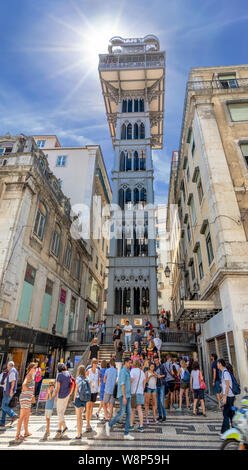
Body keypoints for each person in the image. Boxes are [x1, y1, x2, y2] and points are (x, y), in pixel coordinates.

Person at [105, 357, 134, 440]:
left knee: (129, 414)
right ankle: (109, 424)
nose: (130, 364)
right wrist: (124, 397)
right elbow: (122, 385)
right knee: (121, 413)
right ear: (125, 363)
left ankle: (126, 433)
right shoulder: (123, 371)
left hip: (128, 395)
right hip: (123, 395)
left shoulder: (128, 371)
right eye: (129, 362)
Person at [14, 362, 36, 442]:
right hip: (25, 398)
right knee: (22, 416)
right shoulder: (28, 376)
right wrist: (29, 390)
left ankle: (26, 432)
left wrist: (32, 394)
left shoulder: (32, 376)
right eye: (34, 368)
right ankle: (17, 434)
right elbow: (24, 385)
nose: (35, 369)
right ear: (30, 368)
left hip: (28, 398)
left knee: (27, 416)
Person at [54, 363, 73, 439]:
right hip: (67, 394)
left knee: (59, 412)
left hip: (61, 395)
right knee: (62, 412)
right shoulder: (68, 373)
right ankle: (59, 429)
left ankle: (64, 427)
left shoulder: (60, 375)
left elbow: (58, 387)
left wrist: (55, 396)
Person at [72, 365, 91, 440]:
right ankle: (81, 432)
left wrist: (74, 398)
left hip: (78, 398)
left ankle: (78, 434)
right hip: (85, 399)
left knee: (78, 417)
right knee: (81, 416)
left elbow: (76, 389)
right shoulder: (87, 378)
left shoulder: (78, 378)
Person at [217, 359, 235, 435]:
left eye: (218, 363)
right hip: (230, 396)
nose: (217, 365)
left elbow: (228, 385)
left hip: (229, 396)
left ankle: (225, 431)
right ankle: (234, 429)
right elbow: (226, 384)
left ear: (220, 364)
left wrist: (224, 397)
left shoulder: (225, 372)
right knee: (231, 414)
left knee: (225, 414)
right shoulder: (224, 372)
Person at [0, 361, 19, 428]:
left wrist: (11, 390)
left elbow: (13, 381)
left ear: (9, 366)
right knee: (4, 406)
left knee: (3, 406)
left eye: (8, 366)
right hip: (7, 391)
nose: (7, 368)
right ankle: (2, 422)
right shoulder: (13, 371)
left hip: (8, 391)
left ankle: (13, 415)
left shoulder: (12, 371)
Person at [129, 360, 146, 432]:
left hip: (133, 392)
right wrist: (141, 389)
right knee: (139, 409)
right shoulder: (142, 372)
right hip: (140, 392)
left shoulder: (132, 371)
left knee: (132, 410)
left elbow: (131, 380)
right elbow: (144, 383)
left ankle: (131, 425)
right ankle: (141, 426)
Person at [86, 359, 100, 432]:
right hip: (89, 390)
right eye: (94, 363)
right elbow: (85, 378)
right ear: (92, 364)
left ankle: (89, 422)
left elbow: (98, 380)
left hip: (95, 390)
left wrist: (99, 388)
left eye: (96, 363)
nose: (95, 365)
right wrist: (90, 382)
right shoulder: (89, 371)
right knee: (88, 407)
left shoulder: (97, 371)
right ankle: (87, 423)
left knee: (92, 407)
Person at [103, 358, 118, 422]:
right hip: (113, 389)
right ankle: (110, 418)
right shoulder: (116, 371)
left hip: (107, 389)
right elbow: (117, 380)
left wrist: (108, 381)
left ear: (110, 364)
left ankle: (106, 417)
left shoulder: (107, 370)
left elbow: (104, 380)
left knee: (104, 403)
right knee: (111, 404)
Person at [154, 357, 166, 422]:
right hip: (156, 385)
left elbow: (165, 374)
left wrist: (160, 376)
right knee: (158, 401)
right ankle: (160, 415)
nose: (156, 361)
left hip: (161, 385)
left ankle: (164, 416)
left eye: (156, 360)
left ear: (158, 360)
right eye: (155, 361)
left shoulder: (162, 366)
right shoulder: (154, 367)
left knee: (162, 401)